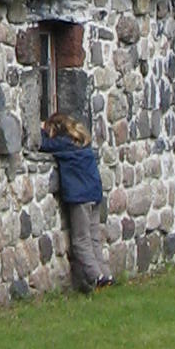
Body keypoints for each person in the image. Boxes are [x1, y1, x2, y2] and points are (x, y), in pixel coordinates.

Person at [40, 111, 112, 292]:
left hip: (81, 197)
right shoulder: (81, 142)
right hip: (95, 194)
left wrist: (41, 129)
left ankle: (97, 277)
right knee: (93, 237)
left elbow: (42, 144)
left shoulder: (62, 144)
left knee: (80, 241)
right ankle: (106, 273)